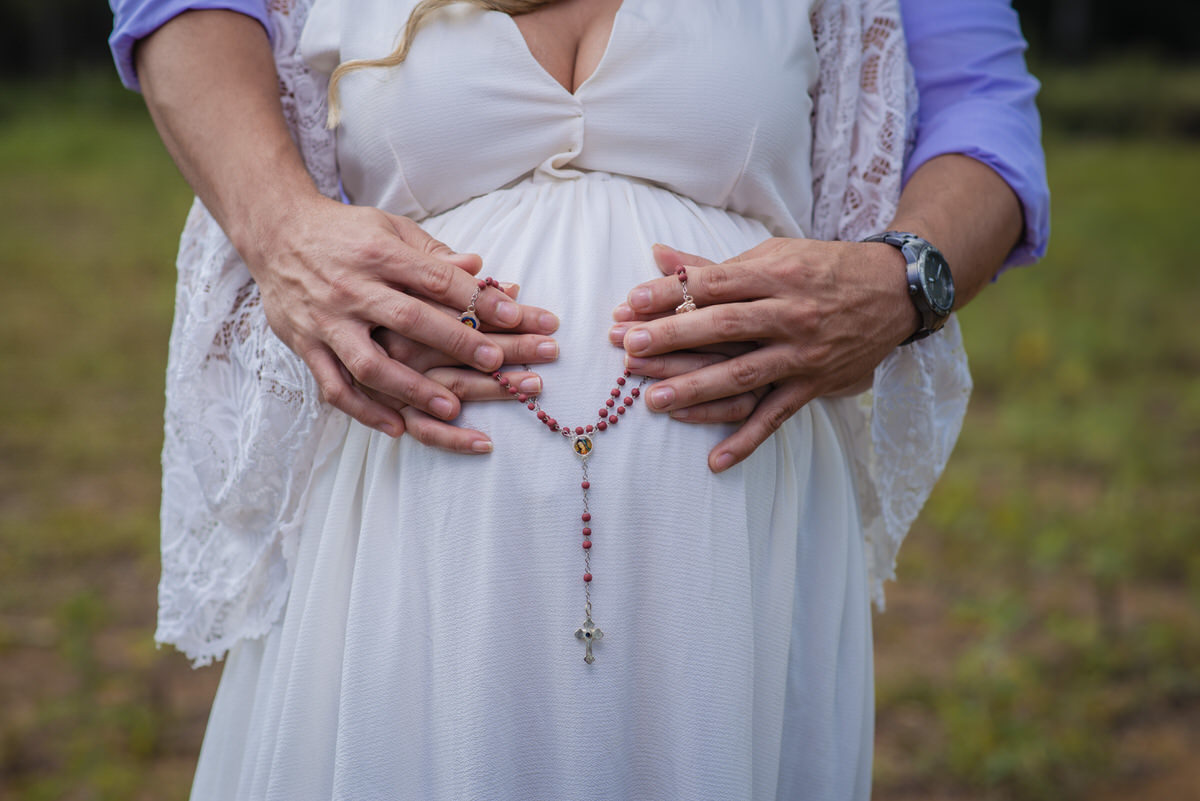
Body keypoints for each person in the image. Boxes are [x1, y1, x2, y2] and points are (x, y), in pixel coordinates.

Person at [109, 1, 1048, 798]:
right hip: (405, 540)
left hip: (736, 548)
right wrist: (281, 232)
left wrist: (899, 283)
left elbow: (983, 106)